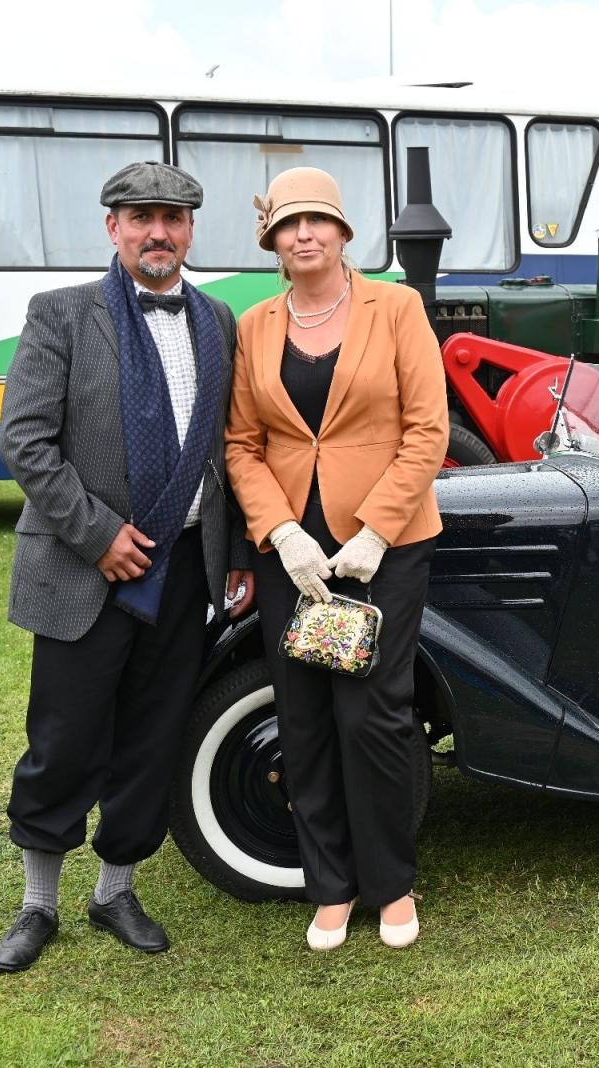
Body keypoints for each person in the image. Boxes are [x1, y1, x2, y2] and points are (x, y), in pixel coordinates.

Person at [0, 161, 255, 973]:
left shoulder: (219, 321)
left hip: (183, 571)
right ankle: (39, 905)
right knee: (65, 739)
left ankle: (115, 892)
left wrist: (238, 551)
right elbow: (25, 443)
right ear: (113, 228)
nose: (157, 232)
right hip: (85, 569)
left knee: (151, 735)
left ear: (189, 232)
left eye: (173, 219)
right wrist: (99, 535)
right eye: (141, 217)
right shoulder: (60, 315)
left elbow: (227, 453)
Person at [225, 167, 448, 951]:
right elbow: (242, 444)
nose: (306, 234)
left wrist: (377, 530)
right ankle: (330, 888)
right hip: (298, 558)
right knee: (306, 716)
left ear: (344, 232)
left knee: (375, 717)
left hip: (379, 552)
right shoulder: (252, 326)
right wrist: (281, 531)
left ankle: (390, 886)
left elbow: (428, 428)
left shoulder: (397, 308)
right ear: (273, 241)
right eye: (290, 225)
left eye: (319, 220)